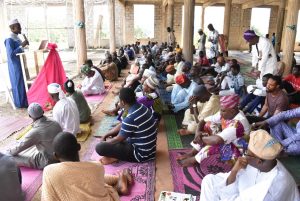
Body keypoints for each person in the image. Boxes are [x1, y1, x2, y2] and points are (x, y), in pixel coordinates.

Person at [200, 129, 300, 201]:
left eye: (247, 153)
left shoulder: (269, 191)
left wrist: (226, 193)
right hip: (241, 193)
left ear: (259, 161)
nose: (244, 155)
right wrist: (234, 171)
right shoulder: (265, 162)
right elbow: (235, 179)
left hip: (247, 196)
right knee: (209, 180)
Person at [42, 132, 133, 201]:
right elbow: (96, 179)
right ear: (79, 147)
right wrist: (117, 178)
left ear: (55, 155)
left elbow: (48, 198)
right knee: (101, 186)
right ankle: (120, 181)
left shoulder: (49, 171)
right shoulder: (96, 166)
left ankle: (120, 180)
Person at [177, 94, 250, 167]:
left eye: (223, 111)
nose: (221, 113)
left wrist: (201, 138)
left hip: (238, 154)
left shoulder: (238, 124)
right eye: (220, 110)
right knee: (208, 125)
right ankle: (192, 153)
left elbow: (217, 140)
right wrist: (197, 133)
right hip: (229, 141)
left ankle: (194, 160)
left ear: (232, 111)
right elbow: (203, 121)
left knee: (218, 143)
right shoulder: (227, 112)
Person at [96, 88, 157, 165]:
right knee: (113, 134)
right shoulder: (141, 107)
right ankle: (117, 153)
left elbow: (117, 139)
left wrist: (105, 142)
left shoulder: (131, 117)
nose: (118, 103)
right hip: (150, 150)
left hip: (141, 154)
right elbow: (123, 124)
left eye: (119, 101)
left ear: (123, 102)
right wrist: (106, 134)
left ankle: (115, 157)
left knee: (100, 147)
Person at [7, 103, 62, 169]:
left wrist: (5, 153)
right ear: (43, 111)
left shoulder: (36, 131)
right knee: (29, 145)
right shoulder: (55, 122)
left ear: (30, 116)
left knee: (10, 157)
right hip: (61, 155)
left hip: (49, 161)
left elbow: (18, 148)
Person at [4, 19, 29, 108]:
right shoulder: (9, 39)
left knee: (24, 82)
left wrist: (24, 47)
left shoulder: (17, 37)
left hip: (21, 63)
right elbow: (11, 55)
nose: (20, 28)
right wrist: (22, 45)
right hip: (15, 66)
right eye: (18, 27)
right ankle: (20, 104)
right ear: (12, 28)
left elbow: (19, 49)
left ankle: (26, 101)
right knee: (18, 83)